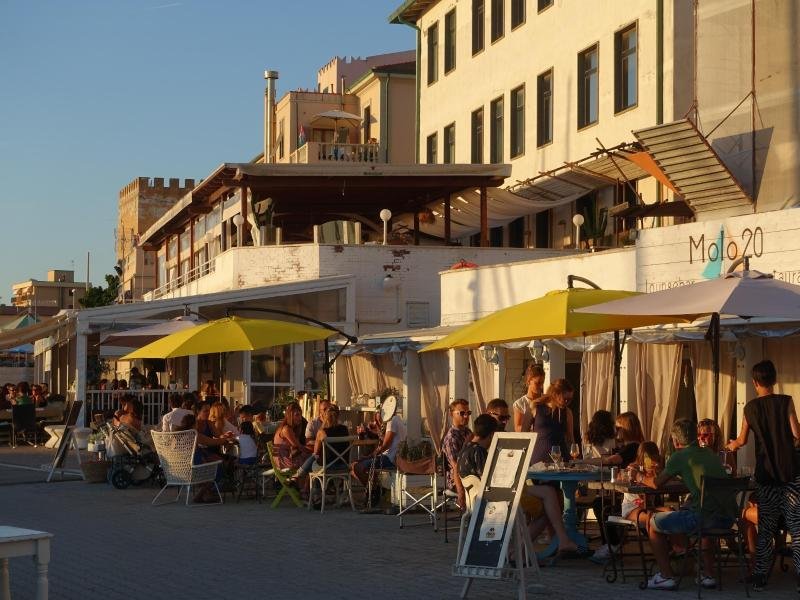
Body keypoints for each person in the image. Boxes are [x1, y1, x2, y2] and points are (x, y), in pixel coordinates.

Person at [726, 360, 800, 592]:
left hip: (766, 475)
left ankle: (759, 576)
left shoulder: (749, 408)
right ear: (775, 380)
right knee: (797, 528)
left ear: (755, 382)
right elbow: (797, 433)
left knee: (766, 527)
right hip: (790, 473)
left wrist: (731, 446)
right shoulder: (786, 402)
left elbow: (742, 440)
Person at [461, 413, 578, 555]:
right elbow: (493, 481)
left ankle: (561, 540)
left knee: (549, 492)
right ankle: (518, 550)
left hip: (481, 500)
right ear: (492, 435)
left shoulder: (465, 450)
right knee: (548, 508)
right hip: (498, 499)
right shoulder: (479, 452)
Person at [644, 419, 735, 590]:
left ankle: (666, 576)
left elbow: (656, 483)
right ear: (695, 436)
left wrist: (639, 477)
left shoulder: (679, 457)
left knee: (652, 523)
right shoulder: (709, 454)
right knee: (699, 513)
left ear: (676, 440)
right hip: (727, 519)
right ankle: (708, 576)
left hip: (704, 519)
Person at [350, 404, 407, 497]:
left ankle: (374, 491)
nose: (379, 421)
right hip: (389, 457)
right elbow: (388, 441)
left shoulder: (392, 421)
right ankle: (375, 490)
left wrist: (371, 455)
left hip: (390, 458)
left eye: (379, 418)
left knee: (357, 467)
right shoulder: (396, 420)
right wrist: (378, 431)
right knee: (353, 466)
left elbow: (385, 445)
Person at [289, 404, 350, 485]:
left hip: (327, 467)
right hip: (343, 466)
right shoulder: (345, 429)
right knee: (314, 461)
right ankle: (323, 489)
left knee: (313, 460)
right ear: (338, 416)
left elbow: (316, 453)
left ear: (325, 416)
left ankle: (299, 479)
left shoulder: (322, 432)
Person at [530, 378, 575, 465]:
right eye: (565, 399)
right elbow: (524, 433)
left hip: (561, 460)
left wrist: (574, 455)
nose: (567, 402)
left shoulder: (567, 412)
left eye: (570, 400)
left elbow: (570, 438)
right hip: (539, 459)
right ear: (555, 394)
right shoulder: (535, 407)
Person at [442, 398, 473, 508]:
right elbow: (456, 466)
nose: (466, 416)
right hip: (457, 481)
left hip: (471, 475)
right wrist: (461, 492)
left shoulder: (467, 432)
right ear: (452, 414)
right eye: (462, 413)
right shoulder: (451, 438)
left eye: (468, 413)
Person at [272, 402, 312, 470]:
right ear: (290, 415)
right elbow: (298, 447)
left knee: (311, 458)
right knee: (313, 458)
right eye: (297, 415)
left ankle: (303, 479)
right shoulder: (286, 429)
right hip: (284, 462)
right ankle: (300, 479)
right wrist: (313, 450)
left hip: (284, 459)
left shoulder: (288, 428)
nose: (300, 418)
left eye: (300, 415)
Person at [513, 364, 545, 433]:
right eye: (538, 383)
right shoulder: (520, 403)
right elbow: (517, 428)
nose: (541, 386)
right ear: (528, 381)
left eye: (542, 383)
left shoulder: (546, 399)